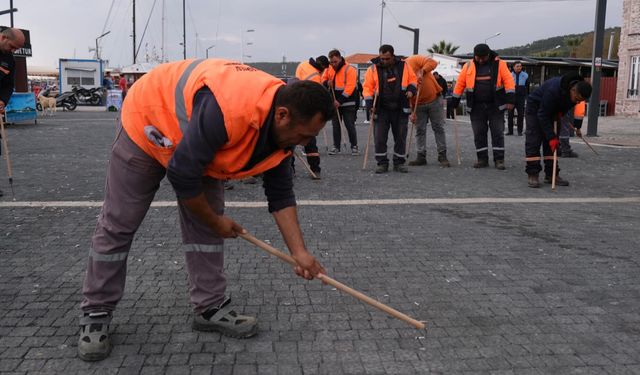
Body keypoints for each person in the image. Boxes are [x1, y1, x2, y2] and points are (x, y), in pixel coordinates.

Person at [77, 59, 334, 361]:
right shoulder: (229, 109)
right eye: (304, 136)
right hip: (148, 122)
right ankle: (96, 310)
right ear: (282, 115)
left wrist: (299, 252)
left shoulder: (283, 133)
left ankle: (210, 306)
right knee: (119, 222)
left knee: (205, 231)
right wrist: (215, 220)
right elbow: (182, 175)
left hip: (202, 146)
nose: (304, 144)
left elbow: (280, 195)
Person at [452, 43, 515, 170]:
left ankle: (499, 160)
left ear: (488, 55)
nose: (480, 60)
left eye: (483, 58)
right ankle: (482, 159)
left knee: (497, 133)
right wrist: (455, 100)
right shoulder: (468, 65)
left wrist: (511, 100)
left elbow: (509, 81)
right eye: (478, 57)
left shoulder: (500, 64)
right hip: (476, 107)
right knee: (479, 133)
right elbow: (460, 83)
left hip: (495, 106)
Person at [525, 73, 591, 188]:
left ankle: (551, 174)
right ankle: (533, 173)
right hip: (536, 108)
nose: (577, 102)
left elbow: (567, 105)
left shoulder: (576, 94)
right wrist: (551, 137)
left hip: (552, 109)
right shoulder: (554, 90)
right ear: (573, 90)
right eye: (576, 99)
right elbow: (542, 115)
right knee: (534, 140)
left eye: (580, 101)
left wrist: (561, 112)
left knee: (552, 144)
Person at [363, 44, 417, 173]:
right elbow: (367, 88)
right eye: (382, 58)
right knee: (380, 137)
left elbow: (413, 80)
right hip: (381, 108)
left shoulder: (405, 66)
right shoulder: (373, 68)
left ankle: (399, 163)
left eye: (387, 58)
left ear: (393, 56)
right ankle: (382, 163)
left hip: (400, 107)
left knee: (400, 136)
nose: (384, 61)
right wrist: (370, 104)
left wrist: (411, 90)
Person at [404, 55, 450, 167]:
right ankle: (421, 156)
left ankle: (442, 155)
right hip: (417, 105)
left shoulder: (413, 60)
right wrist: (411, 112)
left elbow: (433, 62)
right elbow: (405, 95)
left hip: (434, 99)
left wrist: (422, 71)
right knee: (419, 130)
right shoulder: (400, 75)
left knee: (438, 127)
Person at [0, 28, 26, 198]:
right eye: (12, 47)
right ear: (3, 37)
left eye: (17, 49)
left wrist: (3, 100)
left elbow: (9, 85)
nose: (14, 51)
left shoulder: (9, 59)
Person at [295, 55, 330, 178]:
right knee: (310, 141)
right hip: (306, 111)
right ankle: (315, 169)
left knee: (289, 141)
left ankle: (289, 170)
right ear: (322, 66)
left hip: (294, 105)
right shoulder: (315, 76)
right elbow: (315, 97)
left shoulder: (303, 64)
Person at [323, 49, 360, 155]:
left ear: (340, 58)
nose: (333, 64)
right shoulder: (329, 68)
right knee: (336, 125)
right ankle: (336, 147)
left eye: (335, 61)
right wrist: (326, 82)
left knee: (349, 125)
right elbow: (323, 79)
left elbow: (350, 87)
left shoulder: (349, 69)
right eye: (332, 62)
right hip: (334, 101)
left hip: (348, 102)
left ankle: (354, 146)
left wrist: (340, 101)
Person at [507, 61, 529, 136]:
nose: (519, 67)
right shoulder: (509, 75)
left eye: (520, 66)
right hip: (511, 97)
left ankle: (520, 131)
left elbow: (527, 87)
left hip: (521, 98)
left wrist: (526, 97)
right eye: (517, 66)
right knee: (510, 114)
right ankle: (510, 131)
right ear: (513, 67)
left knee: (520, 114)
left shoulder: (525, 75)